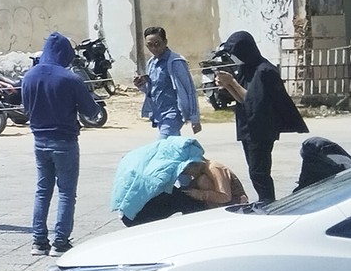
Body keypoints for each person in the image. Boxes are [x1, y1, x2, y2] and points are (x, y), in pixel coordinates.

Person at [21, 32, 106, 255]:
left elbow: (26, 108)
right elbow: (91, 111)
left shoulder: (29, 77)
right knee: (67, 192)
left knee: (42, 190)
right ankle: (60, 241)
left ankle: (39, 241)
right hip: (65, 140)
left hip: (39, 140)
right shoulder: (70, 79)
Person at [212, 30, 307, 202]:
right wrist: (226, 86)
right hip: (247, 126)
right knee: (254, 171)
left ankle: (268, 203)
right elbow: (242, 100)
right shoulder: (245, 68)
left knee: (259, 172)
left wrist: (231, 82)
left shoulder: (265, 70)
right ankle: (265, 201)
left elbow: (253, 100)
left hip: (262, 128)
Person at [112, 136, 210, 225]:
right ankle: (199, 225)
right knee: (183, 200)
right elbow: (150, 185)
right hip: (133, 216)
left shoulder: (157, 153)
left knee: (180, 195)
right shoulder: (162, 171)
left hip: (126, 210)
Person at [135, 26, 200, 137]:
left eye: (157, 44)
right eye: (149, 45)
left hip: (173, 114)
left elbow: (189, 90)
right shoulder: (151, 63)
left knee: (162, 147)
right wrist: (141, 85)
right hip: (159, 113)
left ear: (165, 42)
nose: (154, 48)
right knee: (172, 148)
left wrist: (195, 118)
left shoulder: (175, 62)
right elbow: (152, 90)